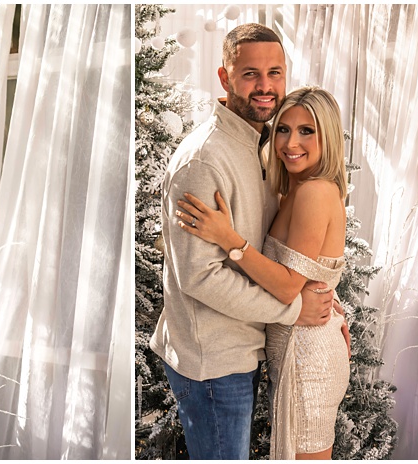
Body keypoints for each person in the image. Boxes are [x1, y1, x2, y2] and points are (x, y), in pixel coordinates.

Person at [149, 24, 341, 460]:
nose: (265, 86)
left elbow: (293, 250)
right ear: (224, 77)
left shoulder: (264, 145)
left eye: (275, 72)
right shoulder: (204, 161)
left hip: (248, 346)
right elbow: (200, 277)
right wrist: (294, 308)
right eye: (250, 73)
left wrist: (328, 300)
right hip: (214, 361)